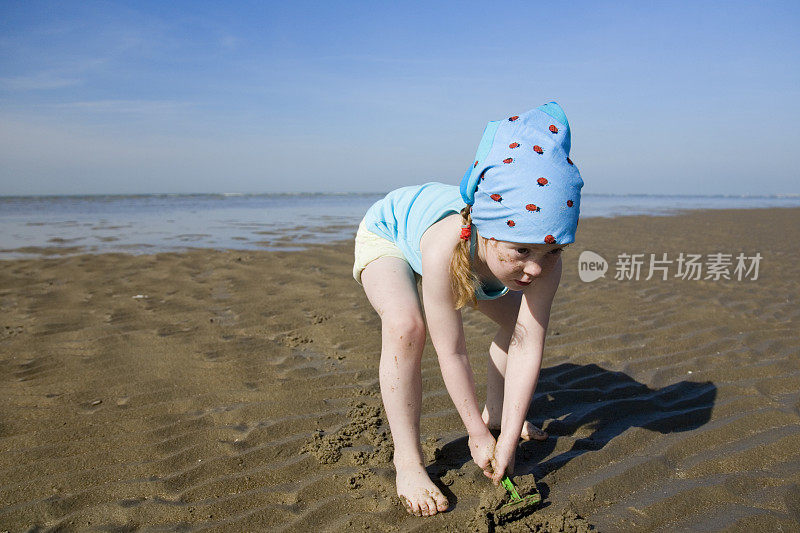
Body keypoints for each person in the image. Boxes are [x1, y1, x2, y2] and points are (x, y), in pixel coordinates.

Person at [352, 102, 583, 517]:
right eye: (523, 251)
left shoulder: (542, 253)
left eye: (552, 252)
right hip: (390, 232)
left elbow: (529, 344)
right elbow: (452, 350)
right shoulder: (447, 247)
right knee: (408, 326)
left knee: (517, 324)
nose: (536, 268)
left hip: (473, 259)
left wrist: (507, 437)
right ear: (489, 233)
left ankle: (497, 410)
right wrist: (475, 434)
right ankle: (407, 461)